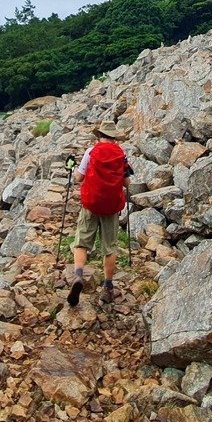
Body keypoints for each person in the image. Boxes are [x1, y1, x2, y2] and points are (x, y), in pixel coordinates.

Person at [67, 122, 131, 306]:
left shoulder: (90, 152)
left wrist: (72, 170)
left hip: (91, 203)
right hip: (111, 206)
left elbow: (79, 177)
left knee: (82, 242)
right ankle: (107, 287)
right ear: (114, 137)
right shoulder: (121, 155)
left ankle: (78, 276)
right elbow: (127, 183)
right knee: (109, 247)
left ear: (100, 135)